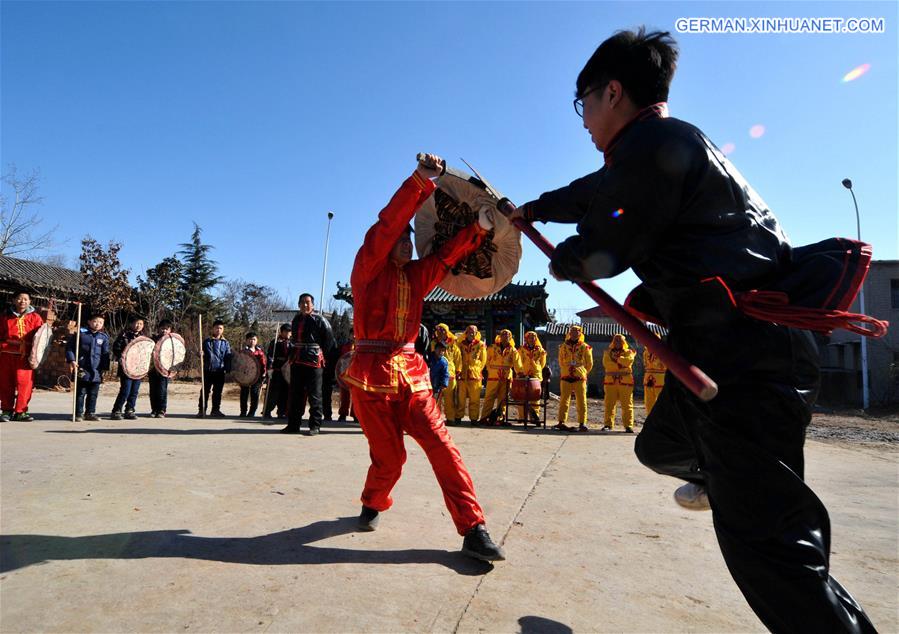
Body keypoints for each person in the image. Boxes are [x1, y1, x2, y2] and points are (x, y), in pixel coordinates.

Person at [511, 27, 875, 632]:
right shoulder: (663, 148)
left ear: (613, 91)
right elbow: (598, 193)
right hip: (721, 353)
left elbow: (614, 233)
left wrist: (576, 255)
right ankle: (722, 478)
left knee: (773, 554)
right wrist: (536, 209)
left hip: (746, 360)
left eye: (585, 104)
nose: (583, 122)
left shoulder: (654, 144)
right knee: (661, 447)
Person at [343, 153, 505, 562]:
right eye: (402, 235)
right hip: (370, 379)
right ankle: (373, 500)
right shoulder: (366, 270)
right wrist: (420, 181)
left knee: (443, 446)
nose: (406, 239)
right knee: (391, 460)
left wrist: (481, 227)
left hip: (414, 377)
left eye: (409, 237)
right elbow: (386, 227)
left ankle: (474, 528)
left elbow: (447, 256)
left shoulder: (417, 276)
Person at [282, 293, 334, 435]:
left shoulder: (320, 320)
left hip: (314, 360)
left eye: (308, 302)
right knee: (295, 394)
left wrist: (323, 357)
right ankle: (293, 425)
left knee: (315, 395)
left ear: (313, 305)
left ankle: (315, 426)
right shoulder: (296, 319)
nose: (305, 305)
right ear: (298, 304)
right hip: (297, 359)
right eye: (302, 302)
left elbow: (329, 342)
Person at [0, 290, 45, 422]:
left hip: (25, 357)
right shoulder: (4, 317)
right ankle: (6, 410)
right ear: (13, 300)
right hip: (6, 355)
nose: (22, 301)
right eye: (19, 298)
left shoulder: (36, 318)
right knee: (5, 383)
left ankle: (21, 411)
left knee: (25, 384)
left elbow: (41, 338)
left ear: (30, 301)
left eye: (25, 299)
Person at [66, 313, 110, 422]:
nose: (97, 324)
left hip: (96, 370)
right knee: (81, 392)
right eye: (95, 321)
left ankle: (90, 412)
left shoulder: (103, 337)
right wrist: (72, 360)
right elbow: (70, 348)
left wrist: (105, 368)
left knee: (93, 393)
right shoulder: (81, 334)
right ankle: (78, 413)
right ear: (89, 322)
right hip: (82, 368)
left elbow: (105, 354)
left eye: (100, 322)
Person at [556, 324, 593, 432]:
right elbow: (560, 361)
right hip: (566, 375)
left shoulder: (585, 346)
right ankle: (561, 422)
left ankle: (582, 423)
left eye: (577, 331)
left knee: (581, 400)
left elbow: (589, 363)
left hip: (579, 377)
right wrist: (566, 369)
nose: (574, 333)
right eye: (572, 331)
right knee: (564, 400)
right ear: (569, 333)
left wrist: (583, 372)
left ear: (580, 333)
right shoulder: (563, 346)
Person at [478, 329, 518, 426]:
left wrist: (520, 373)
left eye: (508, 335)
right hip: (493, 376)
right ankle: (484, 417)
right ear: (500, 336)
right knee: (489, 397)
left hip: (506, 377)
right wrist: (489, 370)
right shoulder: (492, 348)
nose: (506, 336)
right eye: (504, 334)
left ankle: (500, 418)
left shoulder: (513, 350)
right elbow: (486, 360)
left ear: (511, 337)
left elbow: (517, 363)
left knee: (503, 399)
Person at [110, 316, 146, 420]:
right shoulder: (124, 335)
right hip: (126, 368)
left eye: (141, 324)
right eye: (136, 323)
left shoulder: (143, 338)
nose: (138, 326)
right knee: (125, 390)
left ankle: (130, 410)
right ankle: (116, 410)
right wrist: (122, 357)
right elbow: (116, 348)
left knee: (134, 391)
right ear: (131, 324)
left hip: (138, 368)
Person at [601, 333, 635, 432]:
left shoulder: (629, 352)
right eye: (616, 340)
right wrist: (621, 364)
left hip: (625, 382)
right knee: (609, 404)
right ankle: (608, 424)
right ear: (613, 341)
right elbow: (607, 364)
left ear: (624, 342)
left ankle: (628, 425)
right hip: (610, 382)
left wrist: (616, 360)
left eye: (620, 340)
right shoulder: (607, 352)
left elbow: (628, 362)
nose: (618, 342)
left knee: (627, 404)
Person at [198, 320, 232, 417]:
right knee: (204, 391)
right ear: (213, 329)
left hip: (220, 371)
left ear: (223, 330)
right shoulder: (207, 341)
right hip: (208, 370)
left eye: (220, 328)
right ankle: (202, 410)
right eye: (216, 328)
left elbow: (228, 357)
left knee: (217, 392)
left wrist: (228, 369)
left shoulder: (225, 343)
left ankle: (215, 410)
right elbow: (202, 355)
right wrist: (200, 354)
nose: (218, 330)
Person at [431, 323, 461, 424]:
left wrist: (458, 371)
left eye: (443, 330)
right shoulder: (433, 343)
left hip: (450, 374)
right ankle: (436, 419)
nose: (441, 332)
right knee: (436, 399)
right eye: (439, 330)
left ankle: (450, 418)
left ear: (447, 331)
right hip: (436, 376)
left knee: (450, 399)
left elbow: (458, 358)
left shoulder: (453, 343)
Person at [515, 330, 546, 424]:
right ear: (526, 339)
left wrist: (536, 369)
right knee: (521, 397)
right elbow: (517, 362)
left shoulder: (541, 350)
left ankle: (534, 417)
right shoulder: (521, 349)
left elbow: (542, 364)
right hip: (523, 375)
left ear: (535, 339)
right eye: (529, 337)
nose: (531, 339)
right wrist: (520, 372)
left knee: (535, 398)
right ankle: (521, 417)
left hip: (536, 376)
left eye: (533, 337)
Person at [457, 324, 486, 424]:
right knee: (460, 398)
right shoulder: (460, 344)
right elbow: (458, 357)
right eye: (469, 331)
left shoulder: (481, 344)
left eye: (473, 331)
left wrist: (477, 370)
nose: (471, 333)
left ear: (477, 333)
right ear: (466, 333)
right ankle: (458, 417)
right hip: (462, 374)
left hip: (475, 375)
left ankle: (474, 418)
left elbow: (483, 360)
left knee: (475, 398)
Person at [263, 324, 292, 420]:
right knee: (274, 392)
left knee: (285, 392)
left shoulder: (292, 343)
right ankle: (267, 410)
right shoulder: (275, 342)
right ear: (282, 332)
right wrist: (270, 368)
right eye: (286, 331)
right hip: (277, 370)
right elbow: (270, 356)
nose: (288, 333)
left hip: (287, 372)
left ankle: (281, 412)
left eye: (289, 332)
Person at [148, 319, 174, 418]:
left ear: (170, 330)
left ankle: (162, 410)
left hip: (165, 370)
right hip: (153, 369)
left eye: (166, 329)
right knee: (153, 390)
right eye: (162, 328)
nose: (164, 331)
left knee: (162, 390)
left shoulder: (172, 341)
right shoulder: (152, 340)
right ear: (159, 329)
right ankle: (154, 409)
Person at [239, 331, 267, 418]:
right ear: (246, 341)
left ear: (257, 340)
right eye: (250, 339)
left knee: (255, 394)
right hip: (245, 376)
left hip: (257, 377)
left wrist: (264, 374)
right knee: (244, 393)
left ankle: (252, 412)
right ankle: (243, 411)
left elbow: (264, 364)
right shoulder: (243, 351)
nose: (252, 341)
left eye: (254, 339)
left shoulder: (260, 352)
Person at [642, 336, 666, 416]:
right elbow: (645, 364)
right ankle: (650, 419)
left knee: (661, 401)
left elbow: (665, 365)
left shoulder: (663, 351)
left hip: (660, 378)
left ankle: (662, 420)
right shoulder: (646, 352)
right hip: (648, 378)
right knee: (648, 401)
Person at [335, 337, 355, 422]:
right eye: (352, 334)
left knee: (356, 396)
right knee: (344, 395)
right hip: (344, 373)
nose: (353, 336)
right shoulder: (344, 346)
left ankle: (355, 415)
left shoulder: (360, 347)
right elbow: (340, 360)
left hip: (356, 374)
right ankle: (343, 414)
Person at [429, 341, 450, 412]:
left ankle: (434, 417)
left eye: (443, 350)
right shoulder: (429, 357)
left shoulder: (444, 362)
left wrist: (444, 383)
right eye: (439, 349)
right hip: (427, 383)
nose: (440, 352)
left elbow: (446, 374)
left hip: (436, 385)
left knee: (435, 403)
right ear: (435, 349)